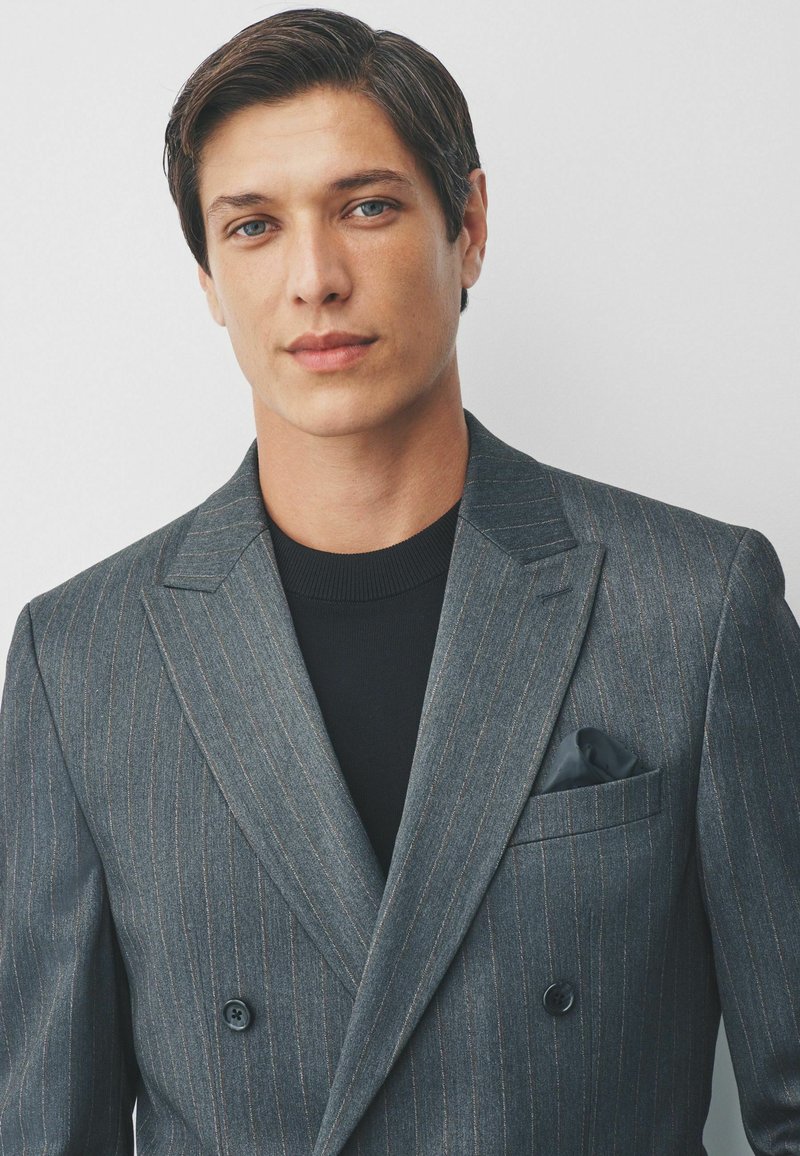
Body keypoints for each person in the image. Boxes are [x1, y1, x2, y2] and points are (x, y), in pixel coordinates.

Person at [1, 8, 798, 1154]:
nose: (314, 279)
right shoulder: (80, 663)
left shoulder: (694, 607)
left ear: (467, 226)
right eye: (254, 226)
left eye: (365, 207)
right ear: (210, 277)